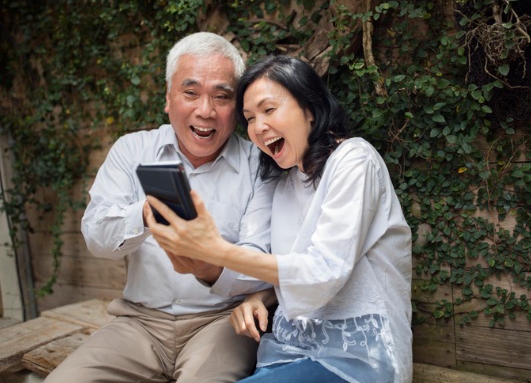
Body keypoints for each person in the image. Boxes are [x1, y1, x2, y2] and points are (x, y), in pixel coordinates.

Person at [146, 55, 413, 383]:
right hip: (287, 350)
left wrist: (218, 251)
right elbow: (292, 269)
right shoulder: (284, 182)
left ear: (310, 107)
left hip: (356, 358)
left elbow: (325, 271)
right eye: (249, 118)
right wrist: (259, 295)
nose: (258, 127)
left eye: (269, 110)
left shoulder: (354, 160)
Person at [44, 32, 276, 383]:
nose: (205, 110)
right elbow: (96, 237)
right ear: (168, 98)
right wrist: (145, 213)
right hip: (138, 323)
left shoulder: (259, 163)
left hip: (221, 321)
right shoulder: (132, 150)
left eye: (221, 96)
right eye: (190, 92)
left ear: (238, 107)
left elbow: (260, 256)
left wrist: (208, 264)